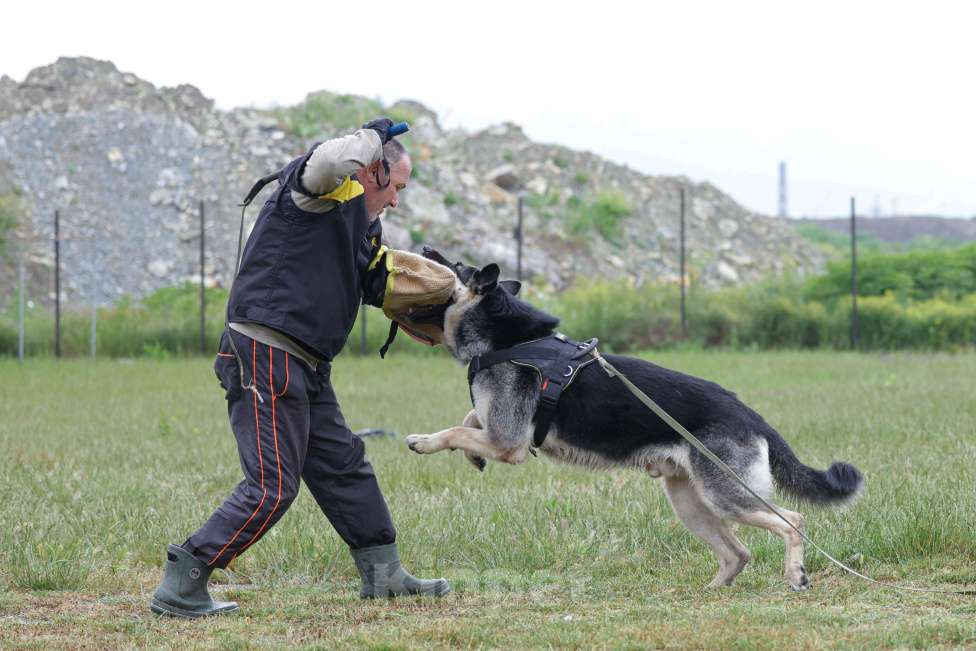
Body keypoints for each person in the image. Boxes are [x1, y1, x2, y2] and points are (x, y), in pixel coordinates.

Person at [150, 118, 450, 618]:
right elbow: (331, 159)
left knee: (344, 464)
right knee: (272, 486)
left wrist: (449, 301)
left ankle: (384, 573)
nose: (396, 200)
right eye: (396, 186)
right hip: (266, 349)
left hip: (306, 361)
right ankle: (184, 580)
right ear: (374, 169)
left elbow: (376, 282)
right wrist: (371, 137)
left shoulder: (362, 224)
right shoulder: (318, 186)